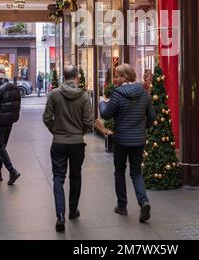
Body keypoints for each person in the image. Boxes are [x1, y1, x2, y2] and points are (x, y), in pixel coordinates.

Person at [99, 63, 156, 223]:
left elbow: (106, 115)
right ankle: (143, 201)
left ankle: (122, 206)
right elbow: (152, 116)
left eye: (117, 76)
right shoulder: (144, 93)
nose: (115, 79)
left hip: (122, 140)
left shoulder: (117, 94)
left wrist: (102, 102)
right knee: (136, 172)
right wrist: (141, 129)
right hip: (138, 140)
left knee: (119, 171)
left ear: (125, 77)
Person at [43, 65, 93, 232]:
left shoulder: (54, 94)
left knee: (58, 177)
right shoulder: (84, 96)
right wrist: (80, 133)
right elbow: (88, 122)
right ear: (76, 76)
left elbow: (47, 118)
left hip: (58, 142)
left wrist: (55, 130)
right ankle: (73, 210)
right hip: (77, 143)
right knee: (76, 176)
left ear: (64, 76)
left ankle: (60, 215)